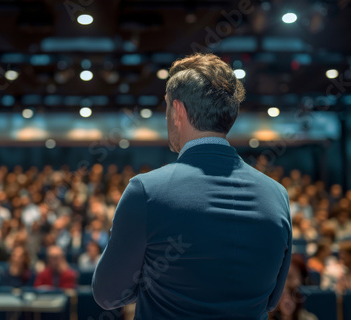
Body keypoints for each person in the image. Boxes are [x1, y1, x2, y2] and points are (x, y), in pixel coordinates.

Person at [92, 53, 292, 319]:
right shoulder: (277, 195)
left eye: (166, 108)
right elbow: (271, 299)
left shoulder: (146, 192)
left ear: (178, 111)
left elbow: (108, 295)